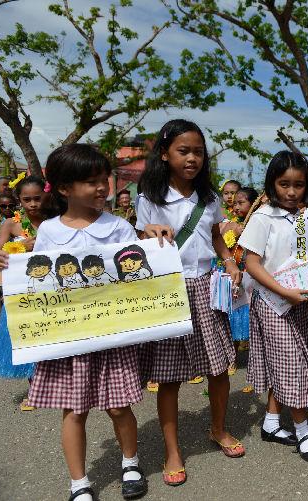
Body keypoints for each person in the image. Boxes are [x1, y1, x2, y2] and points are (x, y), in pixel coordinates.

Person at [0, 144, 148, 501]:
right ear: (63, 188)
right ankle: (79, 482)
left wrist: (153, 238)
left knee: (119, 405)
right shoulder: (48, 231)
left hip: (111, 334)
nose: (101, 187)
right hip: (69, 338)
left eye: (103, 179)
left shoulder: (120, 227)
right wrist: (5, 261)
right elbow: (36, 276)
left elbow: (138, 270)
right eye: (90, 181)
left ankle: (131, 462)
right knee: (73, 410)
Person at [137, 119, 244, 486]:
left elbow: (216, 235)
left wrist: (229, 260)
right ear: (165, 154)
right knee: (168, 377)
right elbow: (137, 247)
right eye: (183, 151)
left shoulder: (210, 198)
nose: (192, 158)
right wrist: (147, 233)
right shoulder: (149, 197)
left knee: (218, 367)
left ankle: (218, 428)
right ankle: (172, 450)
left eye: (198, 151)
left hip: (204, 286)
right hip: (167, 290)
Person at [240, 150, 308, 463]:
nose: (291, 192)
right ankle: (303, 432)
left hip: (299, 302)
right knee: (292, 363)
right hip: (273, 302)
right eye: (284, 184)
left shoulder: (307, 218)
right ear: (272, 184)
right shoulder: (263, 217)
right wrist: (284, 292)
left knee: (292, 360)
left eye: (299, 185)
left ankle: (272, 422)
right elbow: (251, 262)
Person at [0, 176, 47, 411]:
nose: (33, 204)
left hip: (49, 289)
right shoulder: (11, 225)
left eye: (37, 198)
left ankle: (57, 387)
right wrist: (15, 248)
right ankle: (35, 390)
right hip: (22, 291)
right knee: (26, 339)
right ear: (19, 201)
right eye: (27, 200)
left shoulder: (56, 221)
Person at [216, 187, 258, 368]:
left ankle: (257, 360)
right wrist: (234, 233)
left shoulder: (258, 223)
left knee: (253, 321)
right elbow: (220, 243)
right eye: (235, 204)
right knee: (231, 318)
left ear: (253, 204)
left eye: (242, 203)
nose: (237, 207)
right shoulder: (230, 223)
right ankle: (231, 359)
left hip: (252, 276)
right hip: (233, 275)